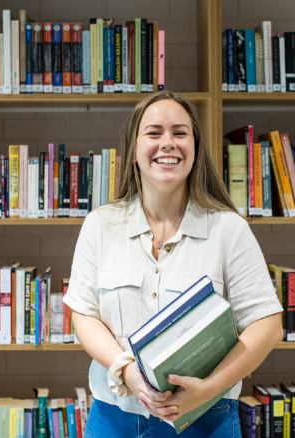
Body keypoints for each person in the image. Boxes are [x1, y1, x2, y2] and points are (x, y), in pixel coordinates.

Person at [62, 91, 283, 437]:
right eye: (154, 133)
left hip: (208, 419)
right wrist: (127, 372)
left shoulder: (229, 230)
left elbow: (267, 326)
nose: (168, 143)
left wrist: (207, 391)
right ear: (134, 149)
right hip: (115, 419)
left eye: (180, 133)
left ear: (195, 149)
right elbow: (84, 315)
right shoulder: (100, 225)